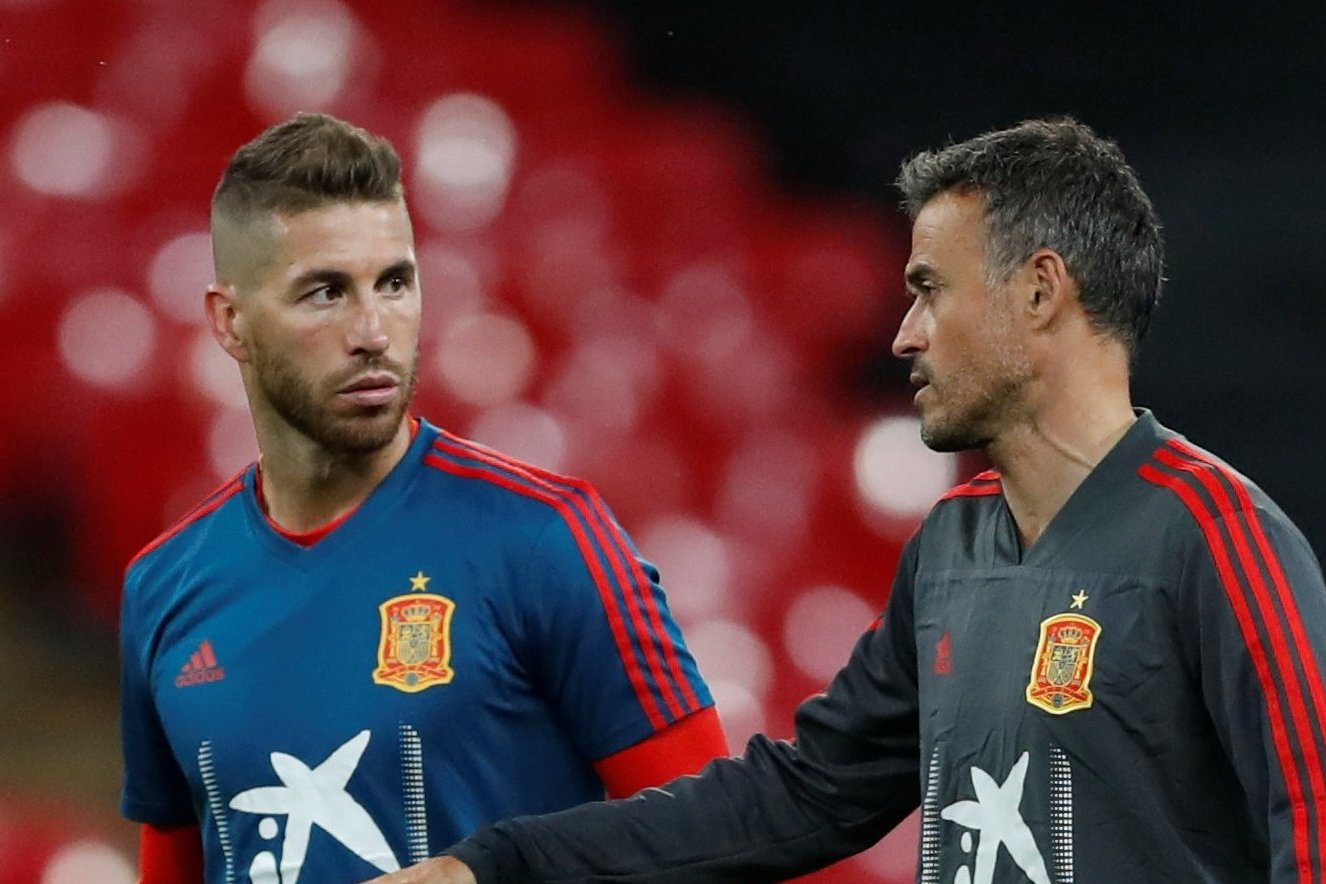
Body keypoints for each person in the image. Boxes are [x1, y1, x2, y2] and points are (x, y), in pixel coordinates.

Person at [372, 117, 1326, 883]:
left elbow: (1315, 831)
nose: (904, 335)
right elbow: (805, 799)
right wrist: (497, 864)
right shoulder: (953, 544)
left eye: (930, 291)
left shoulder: (1214, 539)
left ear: (1040, 292)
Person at [118, 112, 728, 884]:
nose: (374, 330)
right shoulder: (163, 588)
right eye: (325, 292)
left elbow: (718, 847)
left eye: (396, 283)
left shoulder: (546, 540)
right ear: (230, 322)